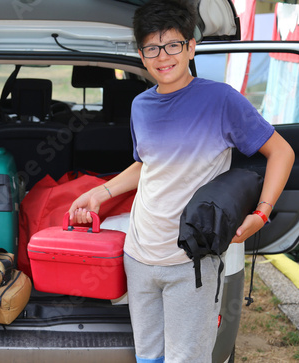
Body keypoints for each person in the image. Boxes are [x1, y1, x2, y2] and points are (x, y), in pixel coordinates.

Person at [68, 0, 295, 362]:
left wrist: (263, 213)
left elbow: (282, 152)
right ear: (141, 54)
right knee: (149, 357)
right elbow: (147, 164)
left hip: (191, 261)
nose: (163, 56)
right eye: (152, 48)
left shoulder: (220, 100)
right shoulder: (140, 105)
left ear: (191, 46)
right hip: (139, 255)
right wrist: (100, 192)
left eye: (173, 44)